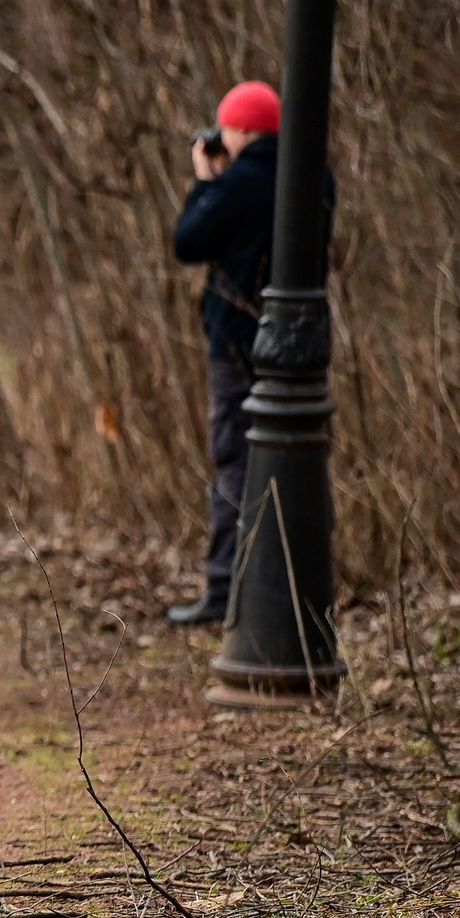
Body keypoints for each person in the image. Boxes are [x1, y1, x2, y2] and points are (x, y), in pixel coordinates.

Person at [168, 80, 304, 627]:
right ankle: (290, 588)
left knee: (234, 458)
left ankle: (227, 589)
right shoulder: (311, 176)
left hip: (236, 343)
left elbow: (188, 242)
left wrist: (206, 183)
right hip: (300, 344)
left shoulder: (240, 182)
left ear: (243, 129)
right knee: (297, 461)